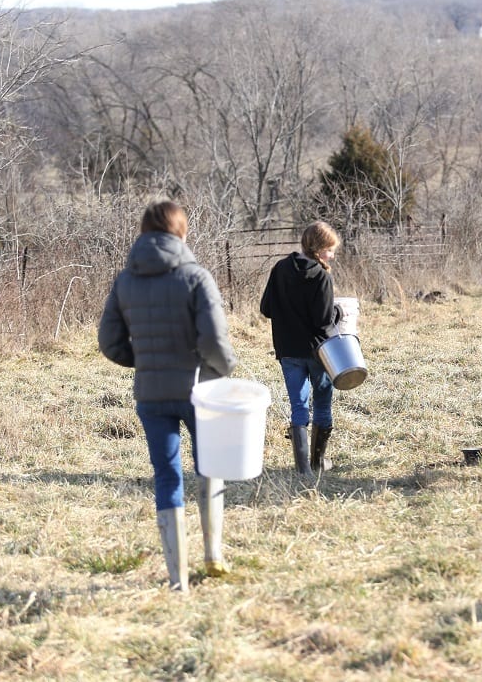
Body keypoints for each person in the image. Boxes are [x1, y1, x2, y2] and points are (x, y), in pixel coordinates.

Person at [98, 200, 238, 592]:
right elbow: (213, 340)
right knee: (209, 467)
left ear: (144, 231)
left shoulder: (125, 280)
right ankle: (214, 554)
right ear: (181, 231)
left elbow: (109, 342)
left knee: (166, 476)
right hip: (200, 391)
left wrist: (144, 361)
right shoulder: (196, 277)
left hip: (151, 394)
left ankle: (177, 577)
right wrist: (224, 368)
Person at [260, 221, 342, 479]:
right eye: (330, 249)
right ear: (319, 249)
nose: (332, 255)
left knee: (298, 404)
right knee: (322, 402)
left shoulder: (280, 268)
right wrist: (339, 311)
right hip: (319, 352)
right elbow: (323, 321)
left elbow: (266, 309)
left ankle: (302, 468)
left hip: (287, 350)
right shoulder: (321, 276)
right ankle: (317, 462)